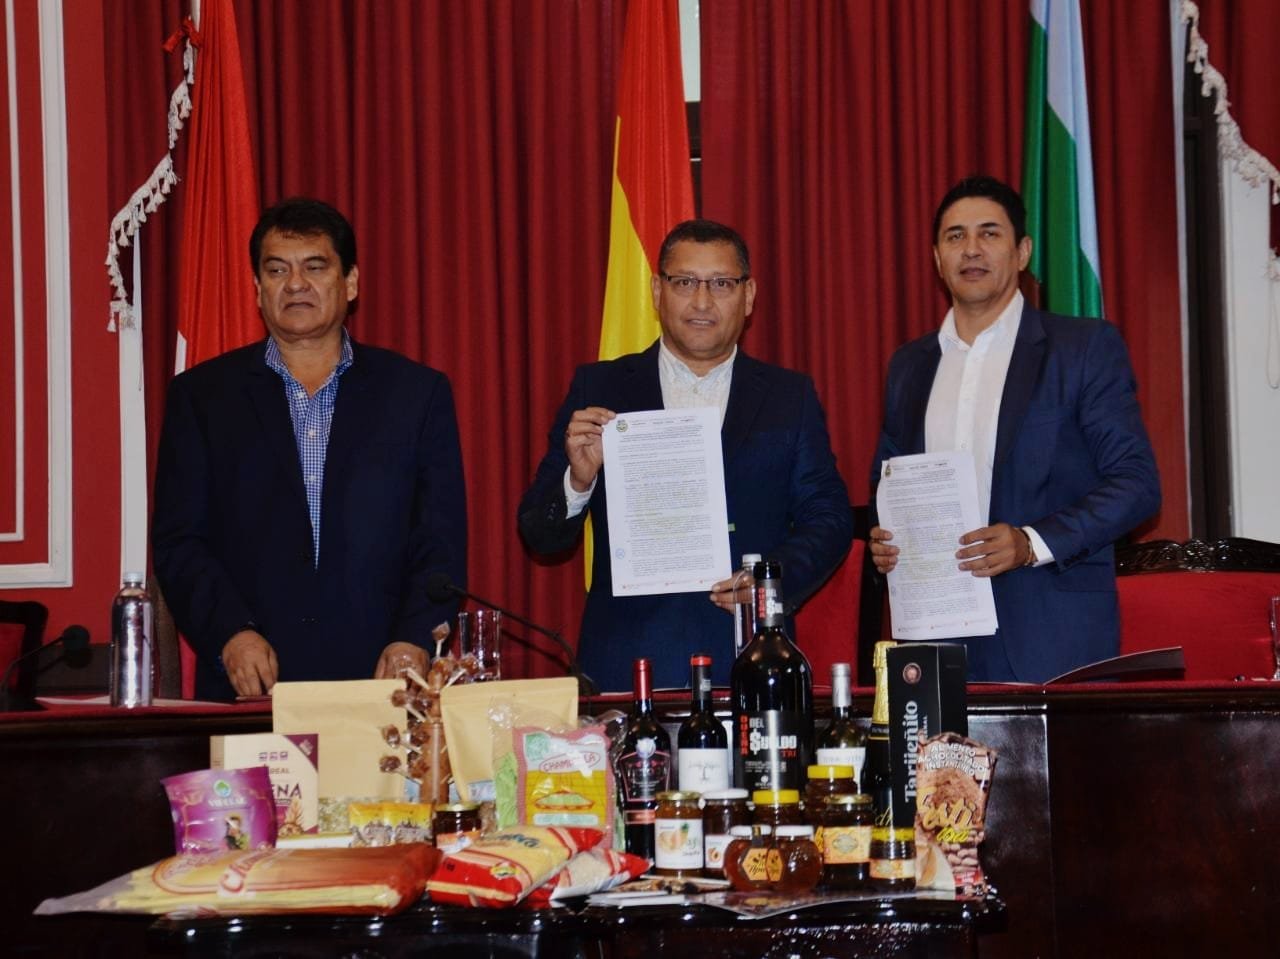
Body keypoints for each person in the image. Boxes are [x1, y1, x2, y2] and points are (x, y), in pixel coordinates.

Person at [152, 197, 467, 700]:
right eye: (277, 269)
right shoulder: (203, 397)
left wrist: (413, 638)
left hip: (383, 682)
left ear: (351, 283)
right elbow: (180, 541)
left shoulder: (415, 395)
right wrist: (230, 633)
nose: (295, 283)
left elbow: (440, 537)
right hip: (251, 683)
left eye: (315, 267)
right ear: (258, 288)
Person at [518, 219, 853, 691]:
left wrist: (767, 582)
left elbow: (830, 518)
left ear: (749, 295)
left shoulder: (788, 397)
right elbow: (540, 533)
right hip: (627, 661)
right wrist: (579, 481)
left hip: (749, 657)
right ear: (657, 291)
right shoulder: (600, 387)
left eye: (721, 284)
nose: (701, 302)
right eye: (684, 282)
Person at [869, 175, 1160, 682]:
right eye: (955, 236)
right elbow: (888, 480)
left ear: (1022, 252)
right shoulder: (909, 367)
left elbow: (1137, 485)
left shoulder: (1082, 349)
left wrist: (1030, 542)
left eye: (990, 233)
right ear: (937, 258)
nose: (971, 249)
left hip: (1051, 635)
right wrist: (886, 535)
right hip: (935, 637)